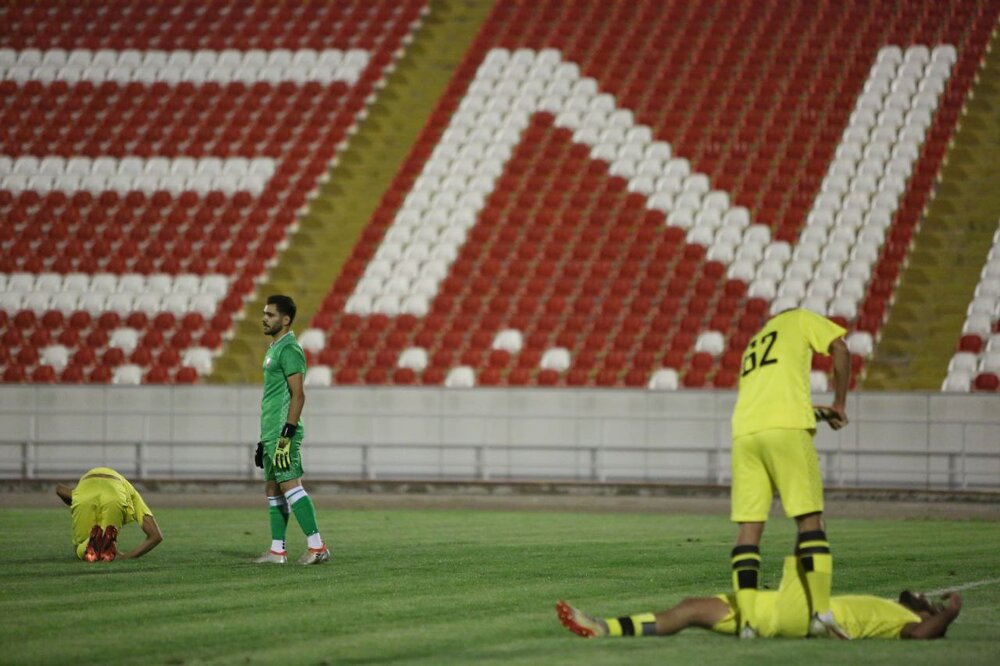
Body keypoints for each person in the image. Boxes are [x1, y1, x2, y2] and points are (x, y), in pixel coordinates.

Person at [729, 307, 851, 638]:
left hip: (745, 433)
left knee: (749, 528)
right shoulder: (799, 317)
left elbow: (770, 400)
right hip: (786, 430)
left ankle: (748, 623)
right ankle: (821, 613)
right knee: (810, 520)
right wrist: (840, 404)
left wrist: (820, 413)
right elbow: (840, 348)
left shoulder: (756, 341)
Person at [556, 557, 962, 640]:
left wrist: (951, 613)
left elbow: (921, 636)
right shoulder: (894, 606)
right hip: (774, 604)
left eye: (932, 603)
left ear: (927, 614)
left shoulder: (906, 622)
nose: (924, 596)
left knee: (807, 548)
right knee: (690, 607)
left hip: (798, 614)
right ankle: (604, 627)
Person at [254, 294, 330, 565]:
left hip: (283, 432)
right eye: (264, 313)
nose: (264, 318)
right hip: (271, 432)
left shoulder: (289, 349)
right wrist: (264, 440)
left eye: (270, 314)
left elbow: (298, 395)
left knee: (290, 485)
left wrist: (287, 434)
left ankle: (317, 547)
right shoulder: (274, 348)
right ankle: (277, 551)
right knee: (273, 489)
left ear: (285, 320)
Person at [56, 467, 163, 561]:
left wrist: (74, 502)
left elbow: (59, 489)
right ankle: (103, 545)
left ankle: (92, 545)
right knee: (103, 547)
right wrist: (127, 557)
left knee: (80, 547)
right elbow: (156, 536)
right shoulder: (131, 491)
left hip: (84, 494)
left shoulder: (83, 486)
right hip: (116, 495)